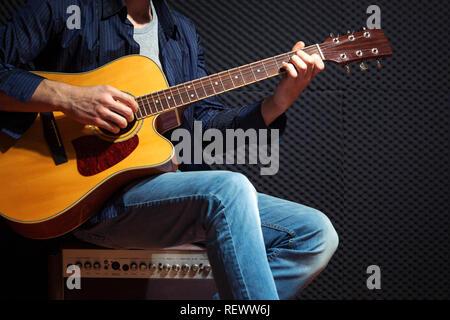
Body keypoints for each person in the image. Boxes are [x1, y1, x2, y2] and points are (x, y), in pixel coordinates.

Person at [0, 0, 338, 299]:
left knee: (314, 234)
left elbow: (202, 130)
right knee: (229, 189)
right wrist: (68, 98)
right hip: (89, 201)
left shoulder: (181, 32)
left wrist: (277, 103)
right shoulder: (60, 8)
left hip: (164, 194)